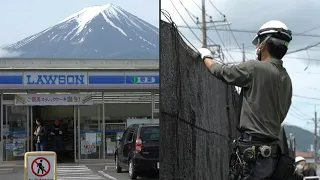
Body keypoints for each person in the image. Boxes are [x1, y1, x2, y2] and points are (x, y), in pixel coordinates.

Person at [198, 20, 293, 179]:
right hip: (273, 157)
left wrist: (206, 56)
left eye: (258, 43)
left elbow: (222, 72)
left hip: (252, 152)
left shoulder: (255, 68)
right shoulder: (287, 79)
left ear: (264, 44)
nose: (257, 47)